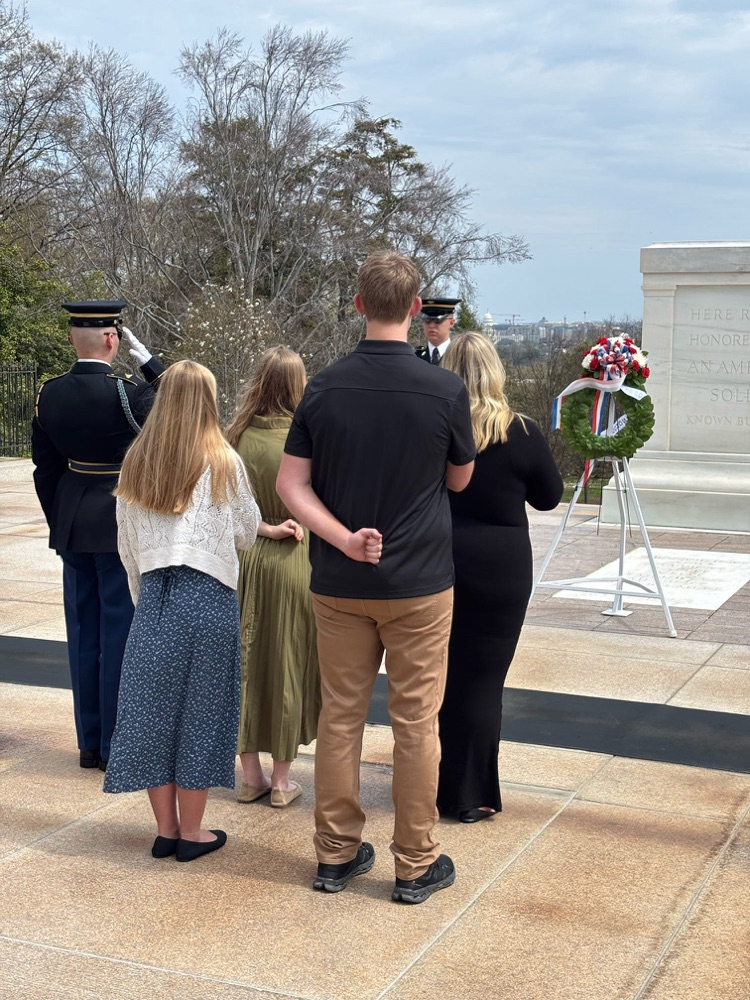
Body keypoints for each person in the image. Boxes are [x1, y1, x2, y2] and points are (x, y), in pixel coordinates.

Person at [277, 251, 476, 904]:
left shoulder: (325, 387)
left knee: (341, 718)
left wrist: (344, 539)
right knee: (418, 722)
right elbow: (459, 477)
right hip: (420, 581)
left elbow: (291, 486)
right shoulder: (445, 390)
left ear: (359, 305)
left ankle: (334, 855)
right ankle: (415, 863)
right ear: (416, 309)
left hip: (339, 581)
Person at [104, 360, 260, 862]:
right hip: (209, 596)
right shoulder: (224, 461)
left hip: (155, 596)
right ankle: (192, 832)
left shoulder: (136, 460)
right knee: (202, 713)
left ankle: (165, 829)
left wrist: (143, 593)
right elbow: (246, 528)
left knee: (152, 713)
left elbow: (126, 542)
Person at [31, 300, 164, 772]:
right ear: (113, 339)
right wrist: (148, 361)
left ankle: (89, 743)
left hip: (71, 520)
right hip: (116, 522)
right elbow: (178, 402)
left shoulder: (49, 393)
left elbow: (44, 468)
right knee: (119, 634)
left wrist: (59, 518)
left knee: (83, 634)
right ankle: (115, 743)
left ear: (72, 338)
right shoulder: (126, 393)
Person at [437, 332, 563, 823]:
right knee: (484, 681)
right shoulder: (522, 431)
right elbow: (549, 496)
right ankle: (471, 795)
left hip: (437, 560)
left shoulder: (433, 428)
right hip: (501, 569)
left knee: (437, 678)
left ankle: (431, 782)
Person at [225, 346, 320, 809]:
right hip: (296, 559)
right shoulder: (309, 438)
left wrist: (261, 526)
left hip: (247, 560)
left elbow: (225, 508)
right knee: (289, 667)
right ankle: (282, 781)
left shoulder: (235, 437)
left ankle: (250, 777)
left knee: (244, 667)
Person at [414, 297, 461, 366]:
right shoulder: (415, 357)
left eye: (438, 320)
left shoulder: (459, 357)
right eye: (427, 320)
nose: (431, 325)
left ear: (451, 323)